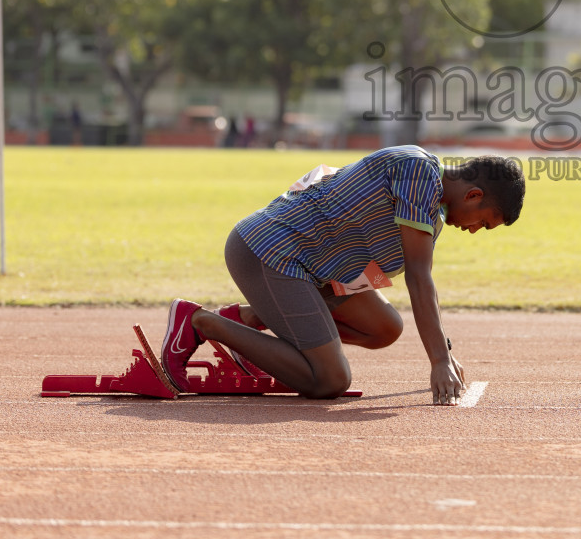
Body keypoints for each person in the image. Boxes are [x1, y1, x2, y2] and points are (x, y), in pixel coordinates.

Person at [160, 146, 524, 405]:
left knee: (385, 328)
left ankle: (248, 321)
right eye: (485, 222)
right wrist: (439, 360)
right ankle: (200, 323)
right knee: (330, 380)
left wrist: (441, 349)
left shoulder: (432, 214)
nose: (476, 231)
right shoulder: (419, 173)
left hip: (310, 270)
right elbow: (418, 276)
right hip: (268, 252)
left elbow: (368, 273)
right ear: (474, 194)